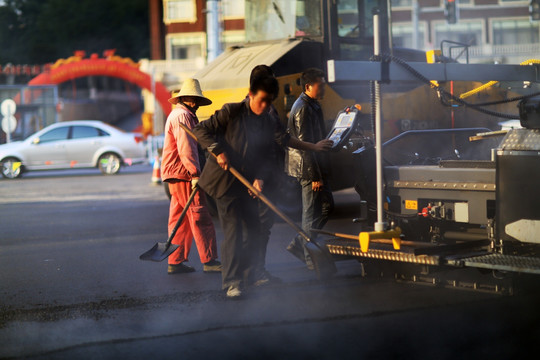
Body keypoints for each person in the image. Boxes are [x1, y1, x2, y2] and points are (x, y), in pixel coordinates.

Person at [193, 74, 332, 298]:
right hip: (224, 180)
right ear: (250, 94)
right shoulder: (232, 111)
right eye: (262, 100)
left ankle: (251, 276)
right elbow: (201, 130)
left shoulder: (268, 120)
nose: (265, 106)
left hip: (248, 181)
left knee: (255, 229)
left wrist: (260, 177)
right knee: (234, 230)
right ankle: (232, 282)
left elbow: (268, 154)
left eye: (269, 101)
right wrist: (217, 150)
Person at [161, 78, 222, 275]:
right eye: (193, 99)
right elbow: (186, 148)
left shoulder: (180, 114)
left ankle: (175, 261)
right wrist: (195, 173)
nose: (195, 103)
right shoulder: (183, 116)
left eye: (197, 100)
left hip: (175, 174)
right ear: (185, 98)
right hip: (184, 174)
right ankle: (210, 260)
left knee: (179, 219)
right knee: (199, 215)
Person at [285, 68, 334, 270]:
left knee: (326, 207)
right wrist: (315, 176)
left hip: (314, 165)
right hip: (307, 168)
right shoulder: (303, 108)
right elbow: (305, 145)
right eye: (320, 85)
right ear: (308, 86)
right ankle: (308, 256)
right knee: (310, 212)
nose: (323, 88)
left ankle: (299, 242)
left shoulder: (312, 104)